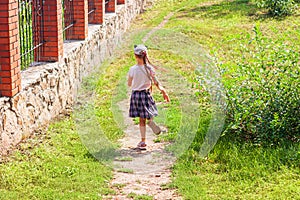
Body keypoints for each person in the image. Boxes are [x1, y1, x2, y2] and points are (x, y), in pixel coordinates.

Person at [127, 44, 170, 149]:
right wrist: (163, 91)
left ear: (135, 56)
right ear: (146, 56)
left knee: (141, 119)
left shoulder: (132, 69)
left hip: (136, 95)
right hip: (146, 94)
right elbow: (156, 82)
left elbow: (129, 84)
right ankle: (150, 120)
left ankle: (143, 141)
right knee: (149, 110)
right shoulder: (150, 68)